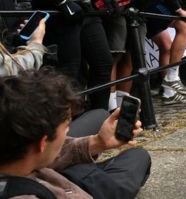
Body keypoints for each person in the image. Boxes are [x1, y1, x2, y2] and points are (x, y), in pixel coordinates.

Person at [0, 69, 151, 199]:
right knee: (138, 156)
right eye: (66, 126)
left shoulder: (18, 155)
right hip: (77, 186)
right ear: (43, 143)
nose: (68, 130)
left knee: (99, 115)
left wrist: (97, 142)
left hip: (53, 173)